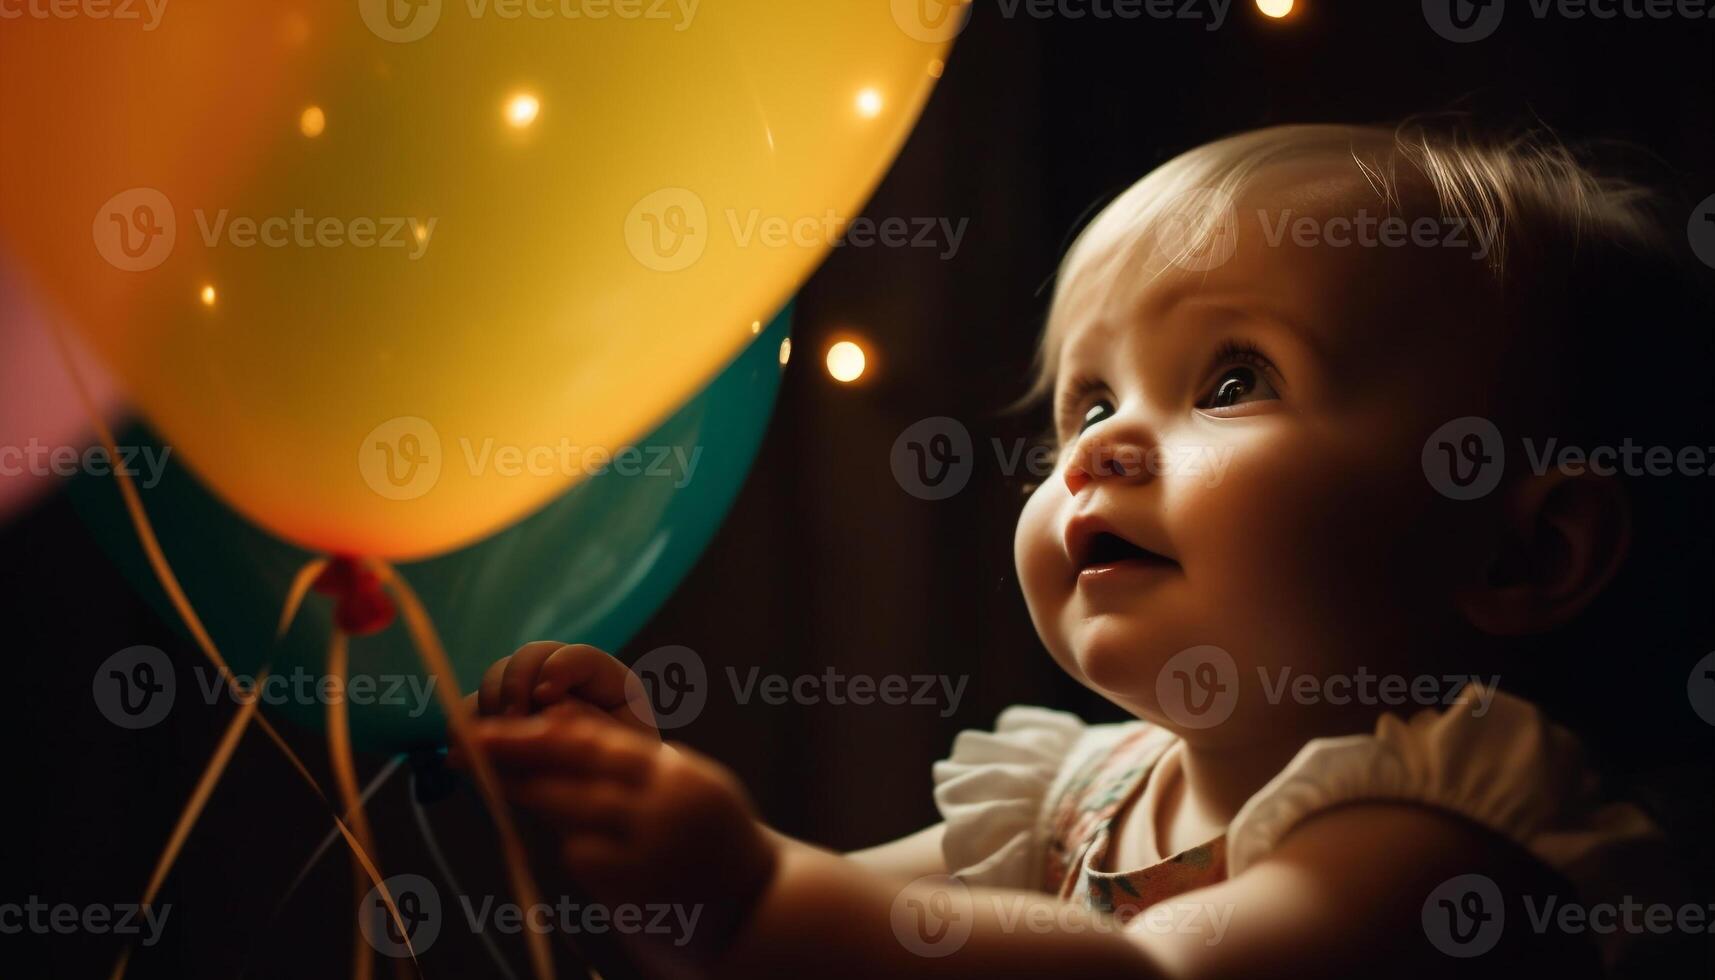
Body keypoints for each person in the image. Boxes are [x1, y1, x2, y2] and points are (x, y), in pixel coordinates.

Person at [457, 120, 1714, 978]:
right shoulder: (1079, 789)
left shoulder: (1449, 843)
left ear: (1520, 553)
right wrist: (635, 809)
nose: (1096, 450)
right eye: (1087, 399)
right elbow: (846, 938)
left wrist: (748, 895)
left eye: (1230, 379)